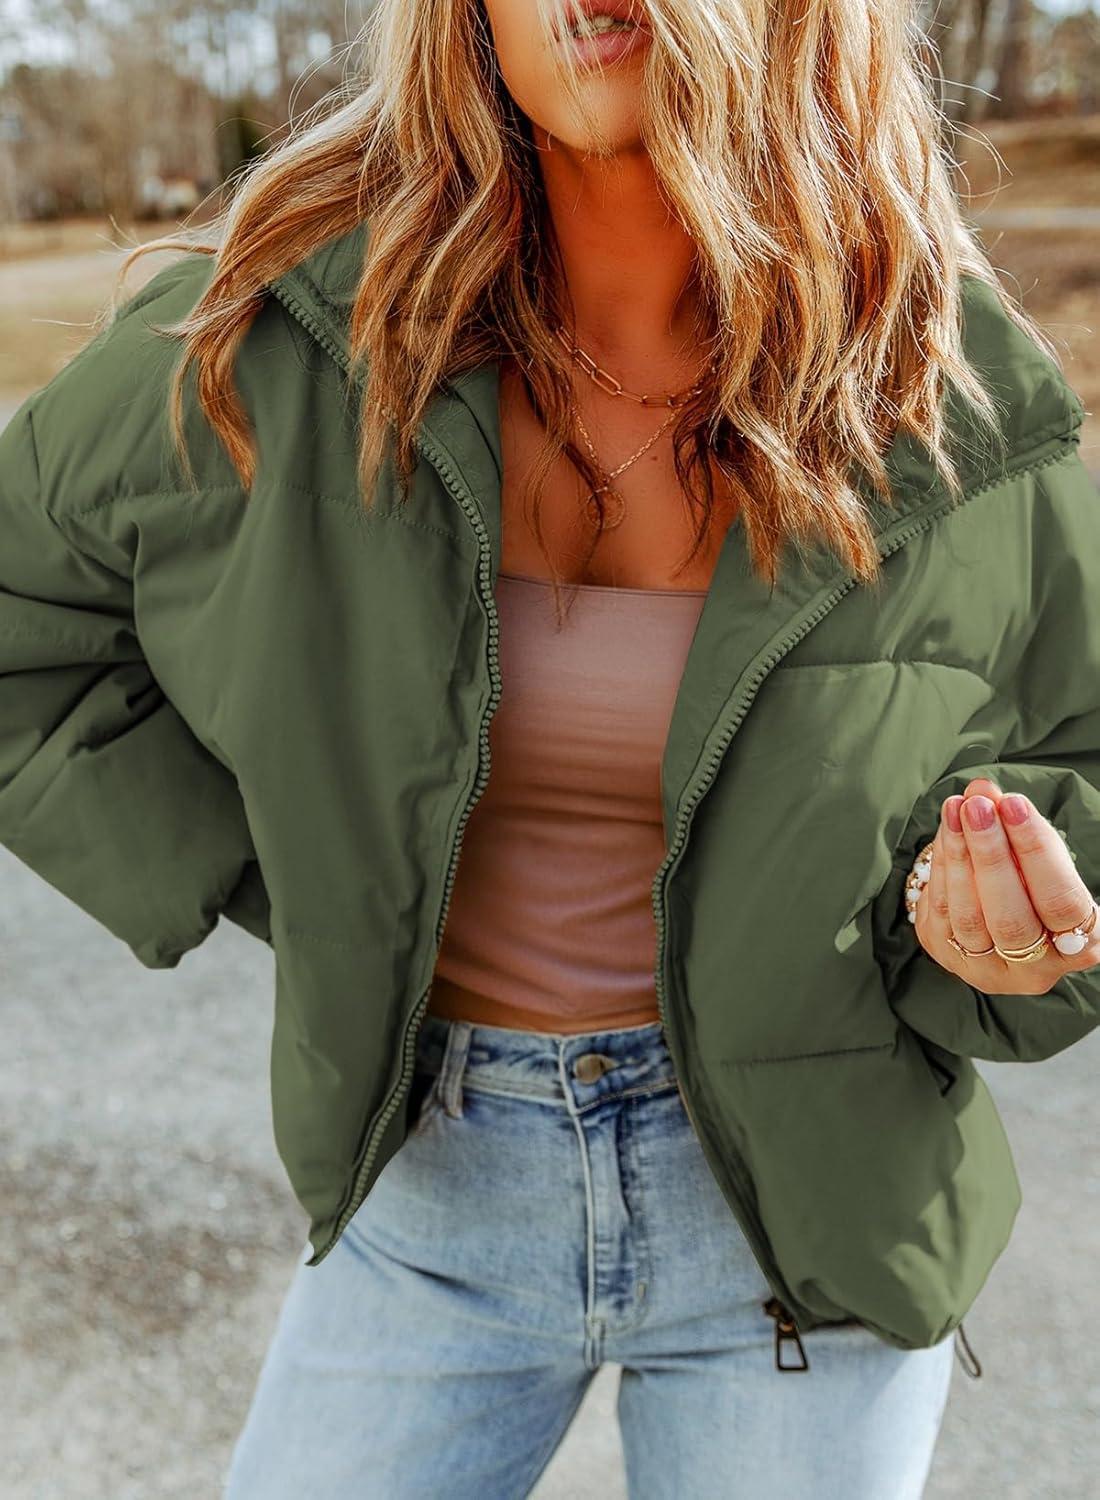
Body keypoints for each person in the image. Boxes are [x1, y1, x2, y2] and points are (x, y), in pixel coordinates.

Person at [1, 2, 1098, 1496]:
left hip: (812, 1232)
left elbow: (1081, 777)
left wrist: (1011, 938)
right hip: (431, 1207)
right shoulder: (284, 333)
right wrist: (298, 873)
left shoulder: (940, 389)